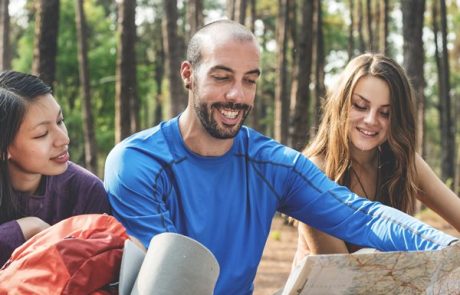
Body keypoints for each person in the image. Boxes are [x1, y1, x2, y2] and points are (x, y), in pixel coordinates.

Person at [104, 20, 457, 295]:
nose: (236, 95)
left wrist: (448, 247)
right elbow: (172, 278)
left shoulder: (275, 166)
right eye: (222, 77)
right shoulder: (137, 163)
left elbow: (361, 216)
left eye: (250, 81)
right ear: (188, 75)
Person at [292, 53, 460, 264]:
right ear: (340, 105)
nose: (371, 120)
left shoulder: (405, 163)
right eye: (360, 106)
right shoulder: (313, 172)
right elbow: (342, 278)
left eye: (385, 113)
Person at [0, 71, 111, 266]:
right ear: (5, 148)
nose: (64, 139)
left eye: (60, 121)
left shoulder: (86, 191)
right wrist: (24, 228)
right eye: (42, 134)